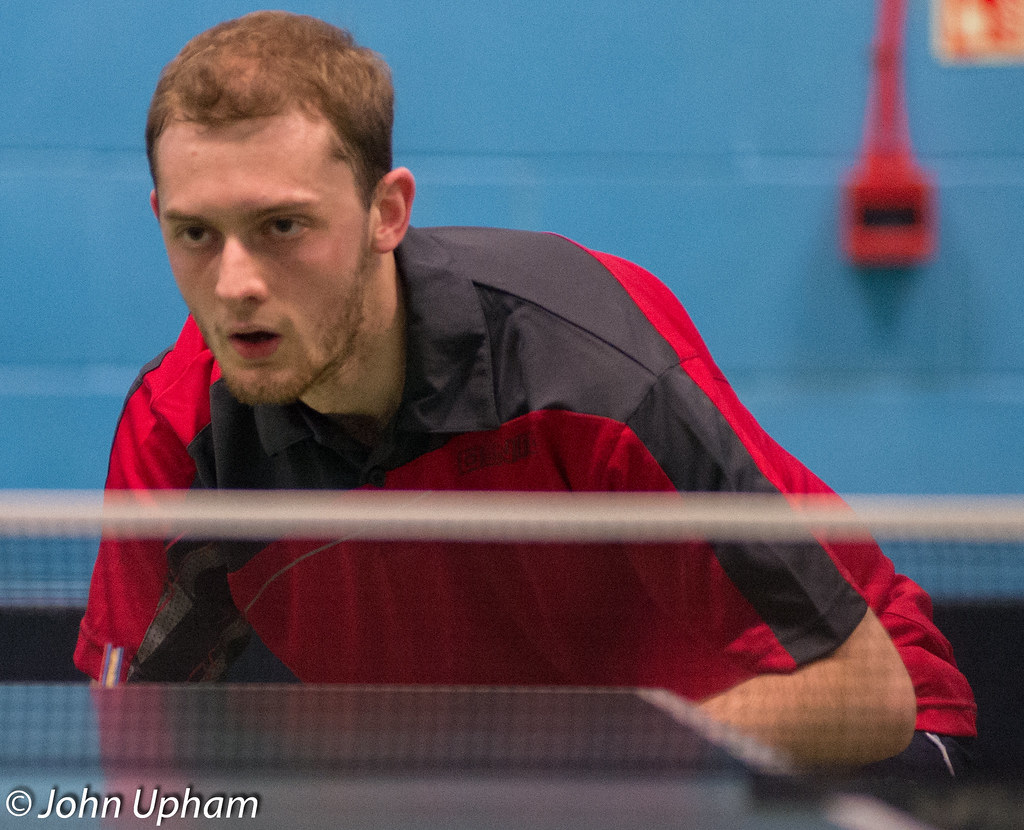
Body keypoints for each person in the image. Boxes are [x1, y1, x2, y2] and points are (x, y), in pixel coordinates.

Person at [75, 11, 975, 772]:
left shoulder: (581, 374)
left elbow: (866, 691)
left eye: (283, 226)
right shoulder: (180, 427)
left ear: (388, 213)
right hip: (513, 781)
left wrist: (574, 798)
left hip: (833, 725)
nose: (234, 283)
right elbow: (140, 763)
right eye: (197, 233)